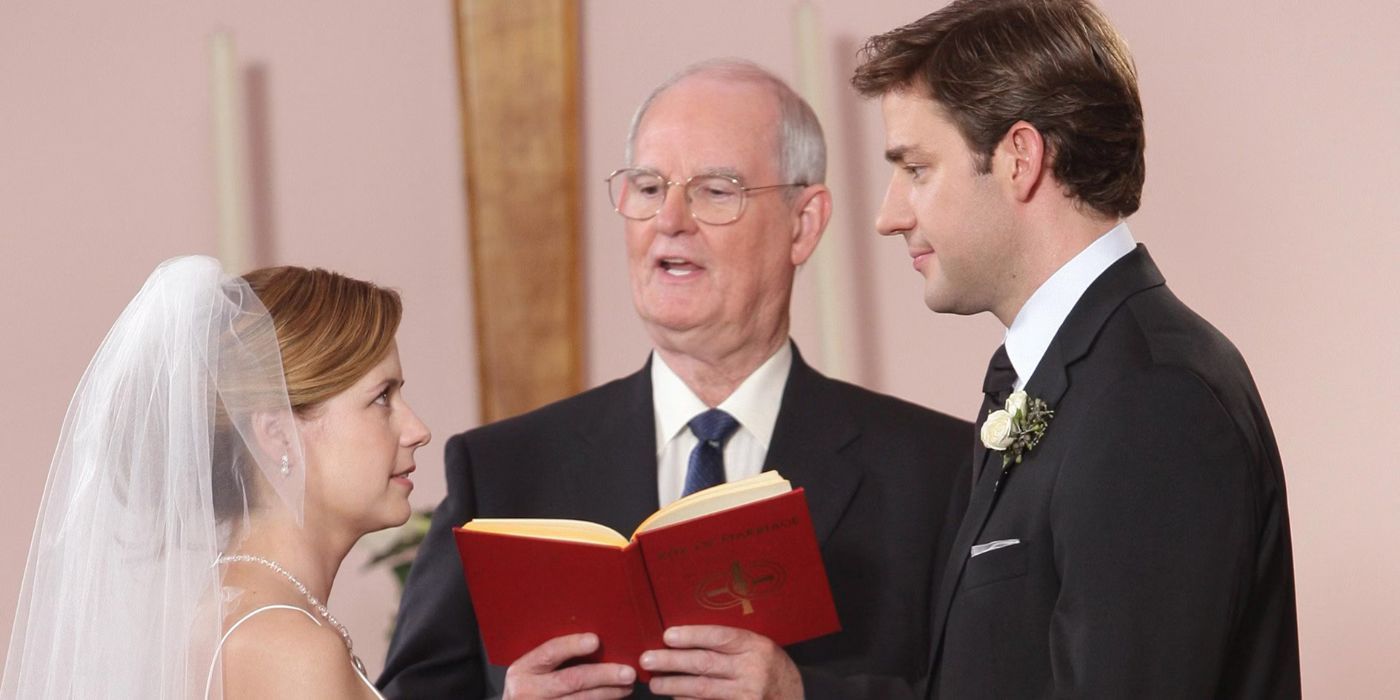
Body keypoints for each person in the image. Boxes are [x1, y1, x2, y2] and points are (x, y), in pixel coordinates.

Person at [380, 59, 971, 700]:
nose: (671, 219)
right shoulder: (502, 471)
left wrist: (802, 697)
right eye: (648, 187)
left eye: (716, 190)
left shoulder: (936, 470)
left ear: (804, 224)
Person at [851, 1, 1301, 697]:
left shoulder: (1152, 401)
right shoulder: (1075, 375)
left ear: (1019, 158)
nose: (889, 216)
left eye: (916, 169)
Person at [1, 257, 431, 699]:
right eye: (382, 398)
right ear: (277, 434)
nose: (418, 431)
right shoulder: (288, 646)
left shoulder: (237, 614)